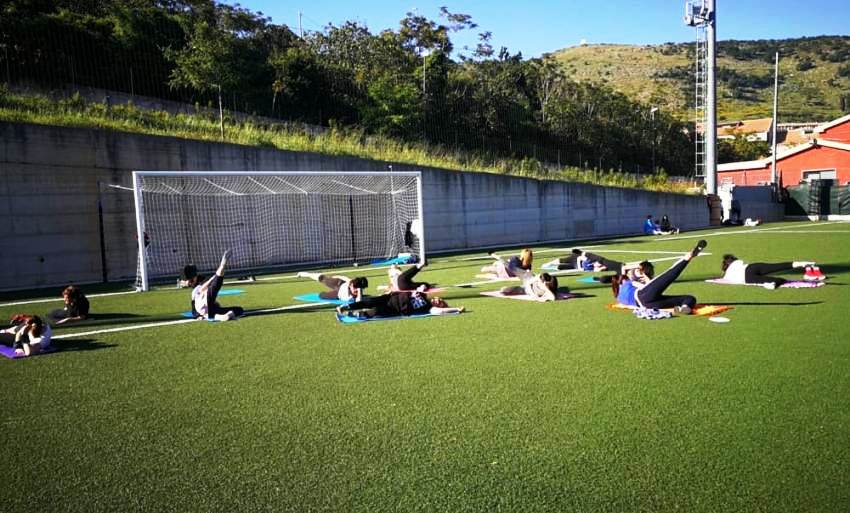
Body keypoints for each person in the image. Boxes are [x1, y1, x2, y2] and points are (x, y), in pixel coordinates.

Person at [611, 240, 708, 314]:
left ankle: (684, 308)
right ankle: (688, 257)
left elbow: (624, 270)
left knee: (688, 298)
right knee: (669, 274)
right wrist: (641, 268)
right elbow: (646, 285)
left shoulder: (619, 297)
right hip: (644, 297)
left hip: (648, 305)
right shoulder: (629, 283)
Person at [186, 251, 244, 321]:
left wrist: (197, 315)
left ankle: (224, 316)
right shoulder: (196, 289)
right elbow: (203, 289)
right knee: (216, 286)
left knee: (239, 310)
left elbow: (194, 307)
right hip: (205, 305)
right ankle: (222, 266)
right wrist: (215, 277)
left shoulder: (197, 287)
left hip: (206, 307)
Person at [336, 291, 464, 318]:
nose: (437, 300)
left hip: (395, 308)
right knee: (369, 301)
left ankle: (352, 314)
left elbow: (440, 312)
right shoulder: (423, 294)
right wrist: (393, 291)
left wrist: (456, 309)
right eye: (438, 299)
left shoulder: (430, 308)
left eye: (440, 303)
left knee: (375, 311)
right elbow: (405, 291)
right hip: (390, 298)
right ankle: (347, 307)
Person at [720, 255, 823, 288]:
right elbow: (740, 262)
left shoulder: (727, 274)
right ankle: (799, 263)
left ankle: (772, 284)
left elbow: (727, 279)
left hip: (747, 277)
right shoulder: (737, 263)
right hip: (752, 267)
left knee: (780, 280)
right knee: (777, 266)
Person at [297, 271, 368, 302]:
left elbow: (359, 302)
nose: (355, 290)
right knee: (322, 278)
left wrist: (359, 291)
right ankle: (305, 274)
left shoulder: (357, 294)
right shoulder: (350, 282)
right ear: (352, 285)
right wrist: (335, 277)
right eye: (354, 287)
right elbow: (344, 278)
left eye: (358, 289)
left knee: (321, 296)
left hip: (337, 294)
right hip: (338, 283)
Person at [545, 248, 623, 274]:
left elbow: (596, 270)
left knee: (563, 267)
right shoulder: (589, 260)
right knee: (562, 260)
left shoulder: (592, 268)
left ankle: (552, 267)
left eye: (600, 265)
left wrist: (601, 268)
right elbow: (579, 258)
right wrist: (581, 267)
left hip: (576, 265)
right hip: (575, 259)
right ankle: (549, 263)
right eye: (599, 264)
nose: (599, 265)